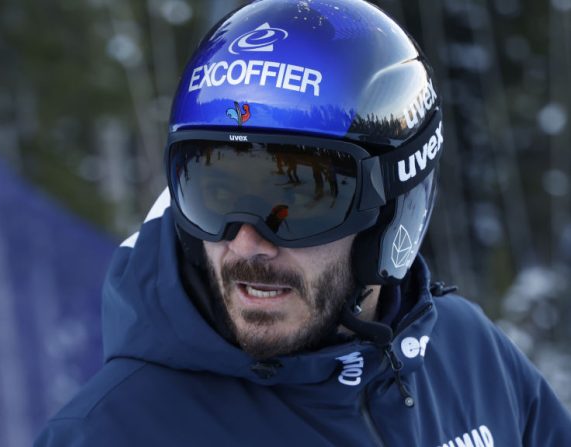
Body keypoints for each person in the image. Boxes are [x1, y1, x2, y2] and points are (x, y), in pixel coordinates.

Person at [36, 0, 571, 445]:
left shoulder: (466, 356)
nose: (246, 242)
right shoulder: (113, 432)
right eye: (214, 195)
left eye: (296, 198)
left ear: (391, 212)